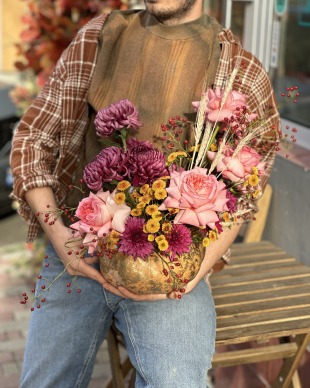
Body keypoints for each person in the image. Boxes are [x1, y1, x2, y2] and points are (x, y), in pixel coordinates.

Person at [10, 1, 279, 387]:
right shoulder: (99, 38)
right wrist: (59, 236)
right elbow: (32, 140)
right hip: (78, 251)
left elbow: (243, 195)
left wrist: (194, 272)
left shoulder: (238, 70)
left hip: (167, 270)